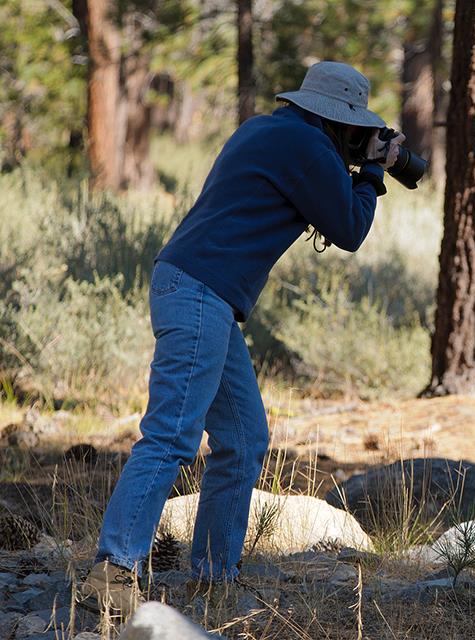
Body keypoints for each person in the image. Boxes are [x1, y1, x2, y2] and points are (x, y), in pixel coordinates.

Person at [80, 62, 404, 616]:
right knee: (172, 434)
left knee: (245, 437)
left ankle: (214, 577)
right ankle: (113, 570)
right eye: (356, 130)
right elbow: (349, 229)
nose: (357, 139)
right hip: (201, 291)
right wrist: (373, 172)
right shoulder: (309, 148)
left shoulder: (264, 128)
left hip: (196, 288)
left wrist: (352, 163)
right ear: (338, 120)